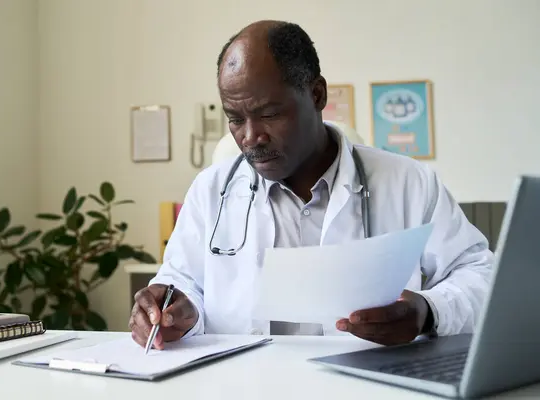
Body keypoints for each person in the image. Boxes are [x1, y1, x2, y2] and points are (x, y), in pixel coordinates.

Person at [129, 20, 493, 349]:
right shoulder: (210, 192)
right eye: (235, 119)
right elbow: (181, 283)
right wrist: (172, 311)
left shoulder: (409, 183)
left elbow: (481, 275)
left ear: (317, 95)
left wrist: (428, 310)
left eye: (269, 114)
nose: (251, 137)